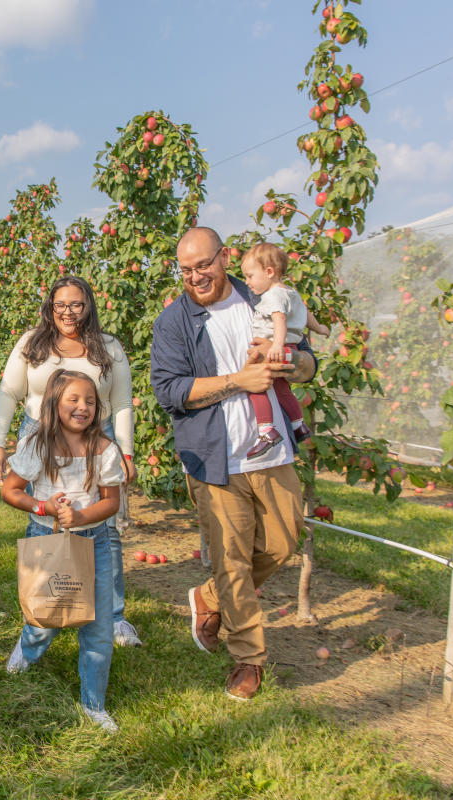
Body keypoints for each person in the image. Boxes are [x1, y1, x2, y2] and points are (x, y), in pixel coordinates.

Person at [149, 227, 317, 701]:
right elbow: (170, 391)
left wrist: (295, 367)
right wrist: (237, 381)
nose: (195, 276)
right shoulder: (174, 323)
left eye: (203, 265)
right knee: (233, 560)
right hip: (215, 456)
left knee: (284, 542)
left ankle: (209, 597)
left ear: (225, 257)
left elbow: (306, 360)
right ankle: (249, 658)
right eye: (185, 269)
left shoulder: (260, 298)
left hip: (272, 448)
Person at [0, 276, 142, 647]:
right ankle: (44, 608)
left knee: (106, 523)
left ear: (88, 305)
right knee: (43, 522)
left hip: (94, 438)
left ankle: (114, 615)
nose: (68, 312)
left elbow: (120, 403)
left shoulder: (108, 347)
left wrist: (126, 451)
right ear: (49, 307)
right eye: (60, 305)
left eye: (76, 304)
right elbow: (9, 392)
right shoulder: (32, 342)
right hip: (40, 435)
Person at [1, 369, 126, 732]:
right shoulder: (37, 446)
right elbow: (11, 491)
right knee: (47, 616)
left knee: (99, 627)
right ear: (55, 403)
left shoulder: (105, 450)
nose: (83, 407)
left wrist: (82, 515)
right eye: (73, 399)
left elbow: (111, 502)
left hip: (95, 542)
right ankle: (27, 648)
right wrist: (45, 508)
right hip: (47, 538)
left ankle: (94, 704)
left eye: (89, 401)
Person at [240, 242, 330, 459]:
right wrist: (320, 328)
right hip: (290, 345)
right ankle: (299, 425)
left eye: (250, 276)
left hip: (276, 347)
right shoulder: (291, 292)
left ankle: (266, 431)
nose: (247, 282)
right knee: (282, 391)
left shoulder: (273, 296)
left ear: (269, 272)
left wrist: (277, 346)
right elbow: (305, 315)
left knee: (255, 386)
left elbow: (279, 319)